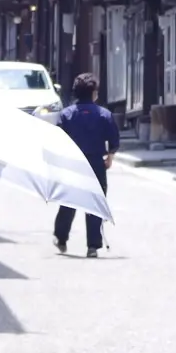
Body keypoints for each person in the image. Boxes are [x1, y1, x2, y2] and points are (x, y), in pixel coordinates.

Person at [53, 72, 116, 257]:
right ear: (94, 93)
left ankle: (61, 237)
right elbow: (113, 138)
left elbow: (58, 140)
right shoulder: (104, 115)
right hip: (96, 163)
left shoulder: (66, 115)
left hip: (73, 163)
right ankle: (93, 246)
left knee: (68, 201)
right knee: (94, 202)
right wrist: (110, 156)